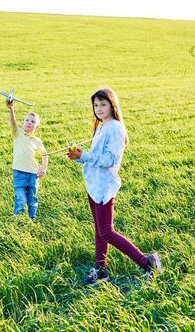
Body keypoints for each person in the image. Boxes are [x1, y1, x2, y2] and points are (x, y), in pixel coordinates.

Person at [67, 88, 162, 284]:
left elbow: (110, 160)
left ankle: (147, 262)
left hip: (104, 187)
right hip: (93, 184)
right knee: (99, 229)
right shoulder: (101, 127)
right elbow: (95, 157)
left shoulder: (115, 128)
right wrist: (79, 157)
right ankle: (100, 269)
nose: (99, 108)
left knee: (107, 232)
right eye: (96, 105)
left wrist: (84, 156)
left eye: (103, 104)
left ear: (112, 105)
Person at [6, 99, 48, 219]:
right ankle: (18, 218)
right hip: (18, 172)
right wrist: (11, 109)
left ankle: (32, 218)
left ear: (37, 126)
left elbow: (45, 154)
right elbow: (13, 123)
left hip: (33, 174)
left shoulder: (37, 141)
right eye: (27, 120)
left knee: (32, 198)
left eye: (33, 122)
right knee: (20, 198)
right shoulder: (18, 133)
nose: (29, 123)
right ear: (23, 123)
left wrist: (43, 168)